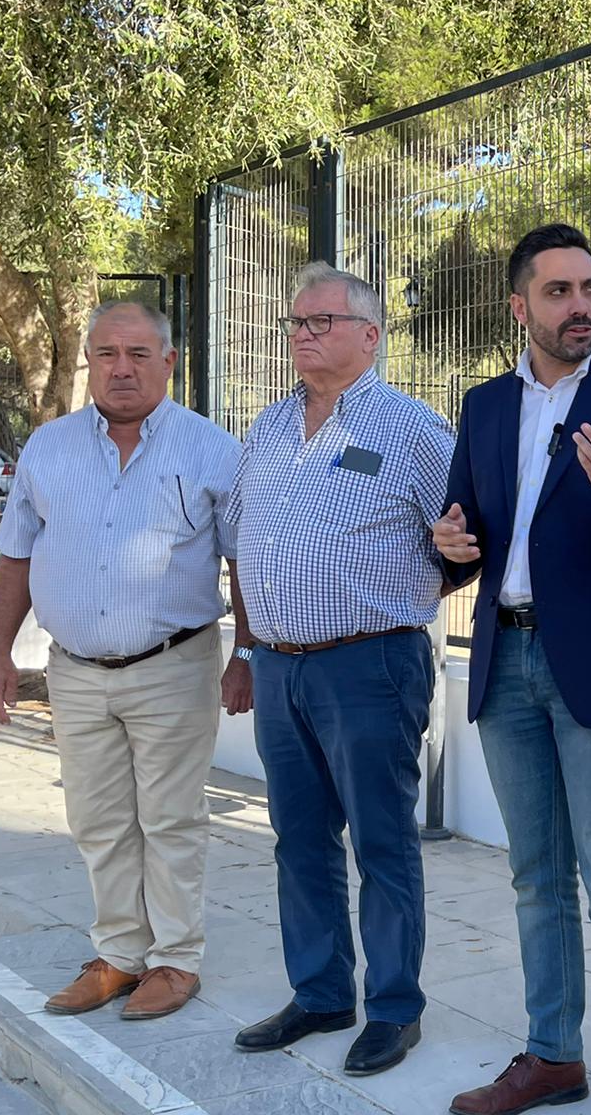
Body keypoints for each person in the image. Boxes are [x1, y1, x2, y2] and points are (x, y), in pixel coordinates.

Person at [434, 223, 591, 1115]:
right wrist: (450, 546)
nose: (580, 306)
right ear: (519, 306)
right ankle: (552, 1057)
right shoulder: (484, 407)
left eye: (589, 289)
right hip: (505, 659)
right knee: (535, 875)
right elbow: (467, 537)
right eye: (558, 292)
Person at [0, 300, 244, 1020]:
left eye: (138, 353)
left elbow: (242, 559)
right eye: (107, 354)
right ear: (90, 362)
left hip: (175, 663)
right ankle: (119, 955)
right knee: (97, 818)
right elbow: (15, 557)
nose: (121, 368)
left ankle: (174, 960)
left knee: (169, 820)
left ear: (169, 360)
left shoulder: (210, 449)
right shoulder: (48, 448)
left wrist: (245, 653)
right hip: (75, 671)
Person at [226, 262, 453, 1077]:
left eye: (321, 322)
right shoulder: (269, 427)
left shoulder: (413, 429)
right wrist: (245, 650)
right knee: (299, 841)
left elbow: (462, 540)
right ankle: (322, 992)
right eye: (295, 323)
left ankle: (394, 1008)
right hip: (281, 670)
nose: (303, 335)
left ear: (370, 334)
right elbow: (244, 546)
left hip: (370, 664)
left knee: (384, 842)